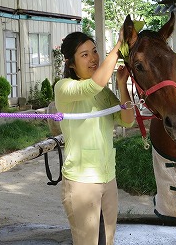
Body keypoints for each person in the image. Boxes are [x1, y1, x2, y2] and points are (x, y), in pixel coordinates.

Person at [54, 30, 135, 245]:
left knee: (107, 241)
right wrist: (118, 47)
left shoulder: (103, 93)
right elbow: (92, 86)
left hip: (108, 178)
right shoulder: (64, 88)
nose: (93, 58)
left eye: (95, 51)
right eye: (84, 55)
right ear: (71, 63)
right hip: (81, 182)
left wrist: (121, 85)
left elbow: (128, 120)